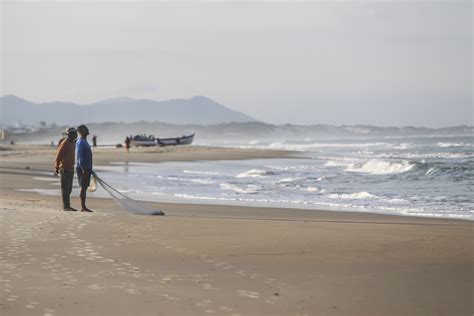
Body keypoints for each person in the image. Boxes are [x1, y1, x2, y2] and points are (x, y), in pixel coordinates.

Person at [54, 127, 78, 211]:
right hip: (64, 168)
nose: (76, 135)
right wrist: (56, 168)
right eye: (74, 133)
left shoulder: (73, 143)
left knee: (69, 189)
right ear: (70, 134)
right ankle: (66, 206)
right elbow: (58, 156)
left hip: (71, 168)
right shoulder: (65, 143)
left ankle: (67, 205)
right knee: (65, 188)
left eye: (76, 133)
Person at [76, 125, 93, 212]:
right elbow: (79, 157)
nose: (87, 129)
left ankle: (84, 206)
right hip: (83, 168)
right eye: (85, 129)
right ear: (82, 131)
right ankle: (83, 207)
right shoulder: (81, 142)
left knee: (85, 187)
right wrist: (83, 169)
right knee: (83, 187)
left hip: (87, 168)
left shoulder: (84, 141)